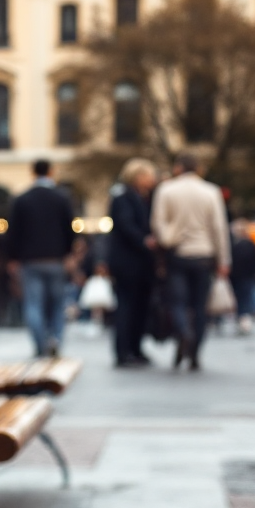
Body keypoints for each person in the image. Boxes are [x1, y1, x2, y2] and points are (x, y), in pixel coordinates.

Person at [151, 153, 231, 371]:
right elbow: (219, 227)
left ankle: (183, 334)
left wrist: (167, 239)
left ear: (178, 167)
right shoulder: (211, 191)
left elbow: (158, 222)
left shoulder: (166, 190)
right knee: (199, 306)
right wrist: (223, 259)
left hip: (177, 252)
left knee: (177, 303)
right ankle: (195, 351)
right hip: (204, 254)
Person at [6, 160, 76, 357]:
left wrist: (13, 258)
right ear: (51, 172)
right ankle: (55, 338)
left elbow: (14, 233)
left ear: (33, 173)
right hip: (55, 260)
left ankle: (40, 344)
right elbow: (69, 230)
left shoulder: (21, 199)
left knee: (33, 304)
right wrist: (68, 253)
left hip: (30, 261)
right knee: (57, 304)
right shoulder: (62, 198)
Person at [107, 157, 158, 367]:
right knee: (127, 306)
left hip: (142, 263)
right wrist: (145, 240)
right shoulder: (122, 197)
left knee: (140, 307)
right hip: (128, 262)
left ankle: (135, 347)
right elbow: (126, 225)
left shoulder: (144, 197)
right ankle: (124, 350)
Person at [230, 219, 255, 335]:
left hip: (236, 277)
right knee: (246, 298)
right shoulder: (251, 244)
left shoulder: (233, 245)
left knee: (239, 298)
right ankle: (244, 319)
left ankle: (241, 319)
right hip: (248, 276)